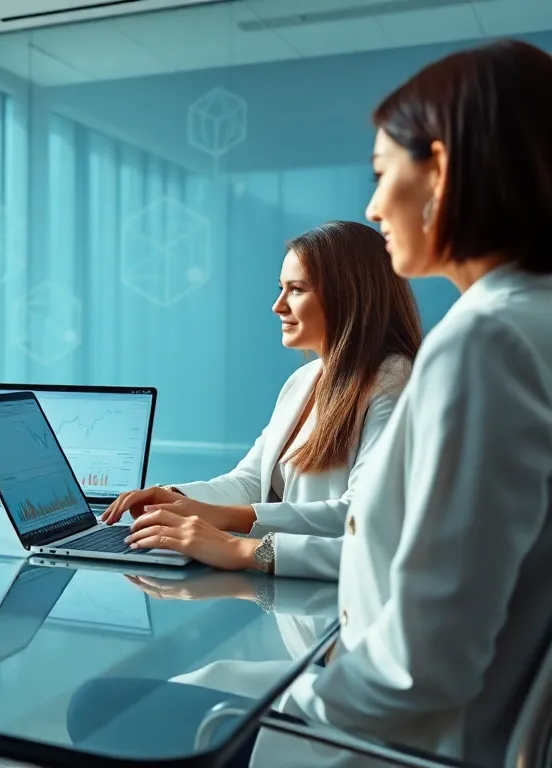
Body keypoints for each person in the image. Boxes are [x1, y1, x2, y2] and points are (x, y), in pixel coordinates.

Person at [265, 39, 552, 767]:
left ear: (442, 170)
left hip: (397, 744)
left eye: (382, 171)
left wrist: (287, 704)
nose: (370, 204)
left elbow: (426, 661)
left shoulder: (486, 342)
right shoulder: (527, 322)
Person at [105, 221, 421, 579]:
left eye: (296, 290)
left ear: (349, 295)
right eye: (280, 289)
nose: (277, 306)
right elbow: (249, 482)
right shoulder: (304, 380)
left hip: (345, 600)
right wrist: (172, 496)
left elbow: (361, 516)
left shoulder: (394, 381)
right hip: (301, 598)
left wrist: (233, 530)